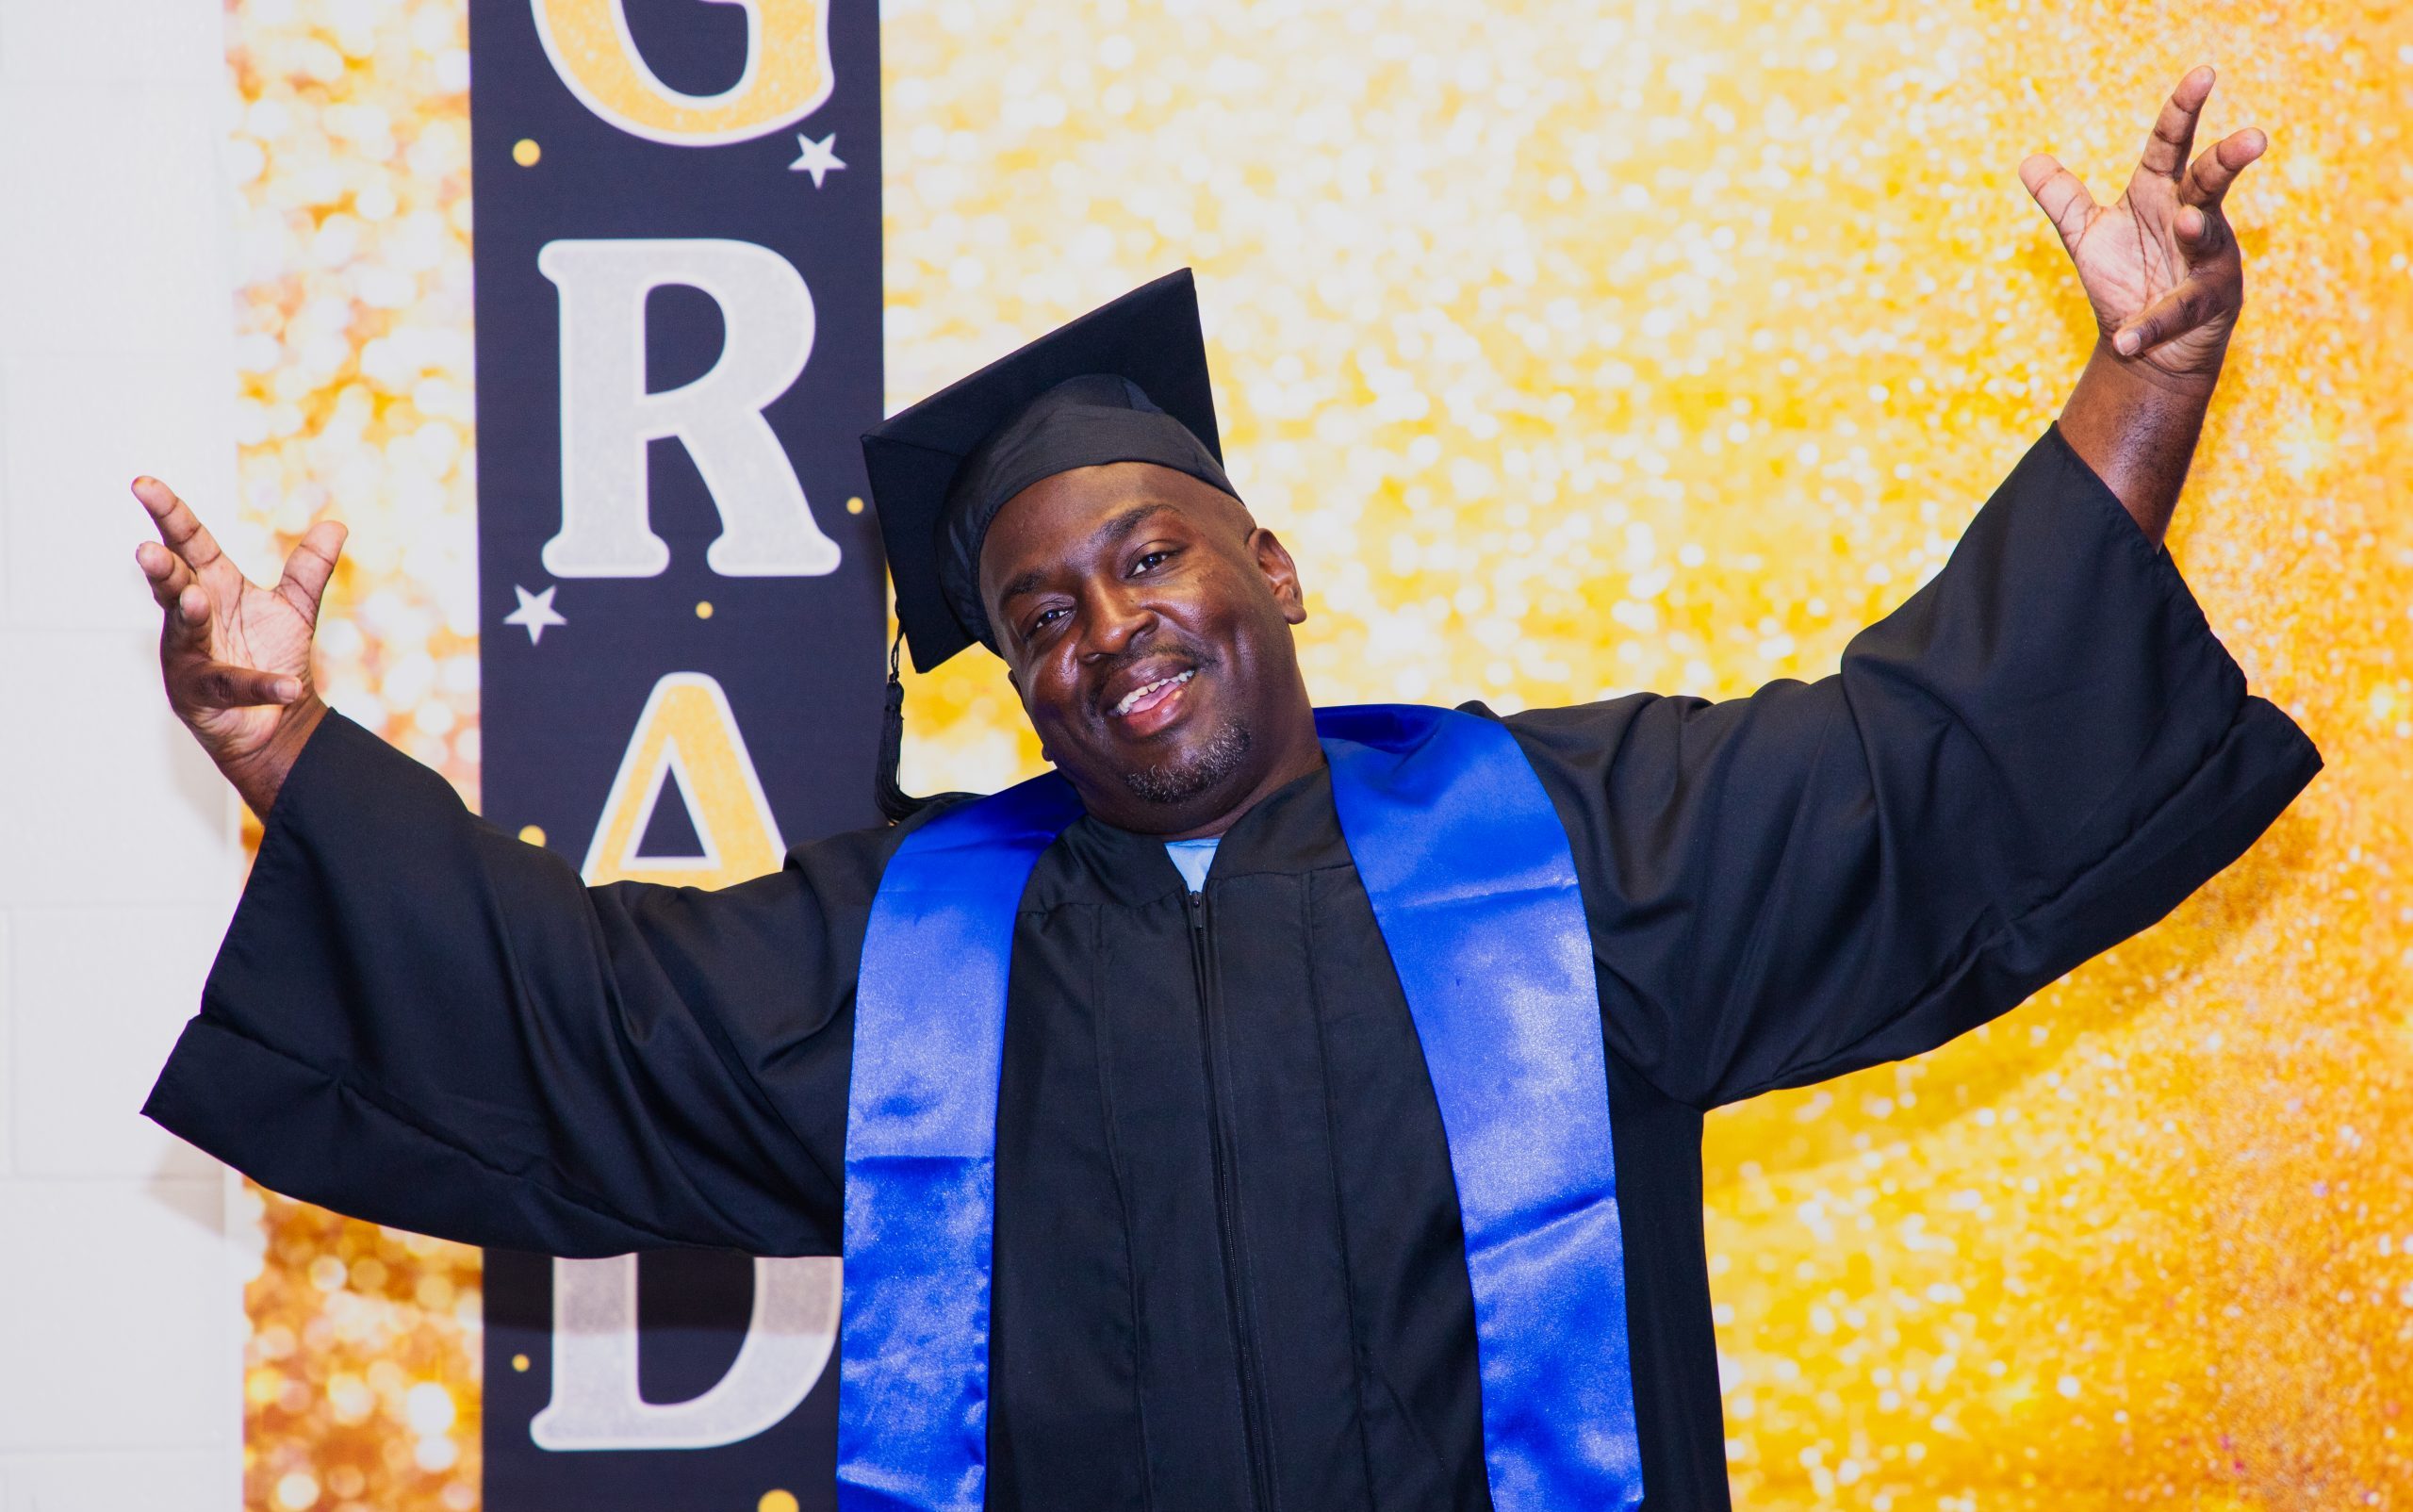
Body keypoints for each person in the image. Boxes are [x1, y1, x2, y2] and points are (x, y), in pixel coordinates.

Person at [137, 65, 2316, 1512]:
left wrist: (2145, 378)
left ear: (1264, 566)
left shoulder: (1552, 850)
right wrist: (283, 743)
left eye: (1142, 557)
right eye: (1041, 613)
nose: (1106, 628)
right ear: (1012, 677)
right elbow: (574, 1002)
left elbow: (1914, 760)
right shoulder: (904, 955)